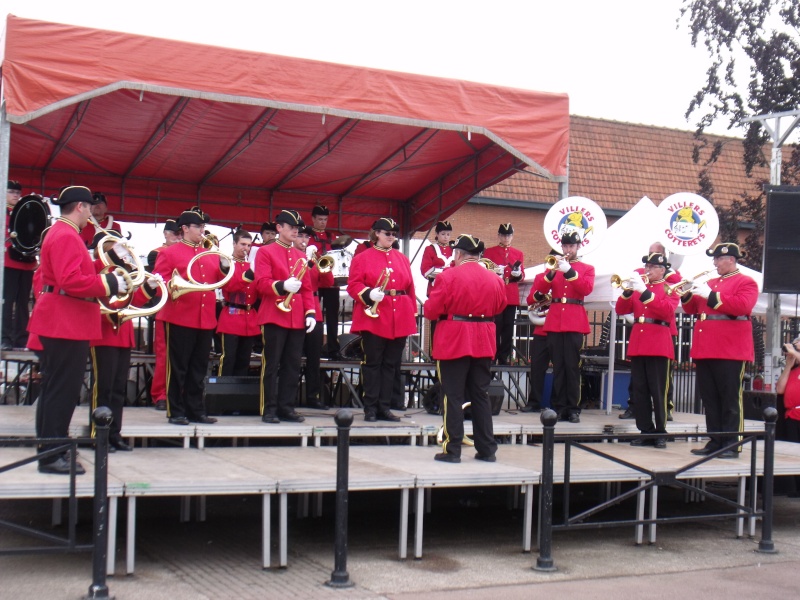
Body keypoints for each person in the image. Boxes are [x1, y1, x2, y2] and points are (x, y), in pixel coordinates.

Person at [28, 186, 131, 474]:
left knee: (55, 389)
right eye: (89, 209)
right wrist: (110, 284)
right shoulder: (66, 235)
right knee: (62, 391)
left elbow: (75, 273)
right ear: (81, 208)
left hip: (63, 318)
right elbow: (72, 280)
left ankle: (52, 447)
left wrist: (106, 262)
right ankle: (52, 453)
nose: (92, 216)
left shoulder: (61, 233)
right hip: (65, 320)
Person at [423, 234, 507, 463]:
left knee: (452, 395)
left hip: (455, 339)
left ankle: (453, 449)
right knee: (480, 395)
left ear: (458, 254)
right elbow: (500, 306)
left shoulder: (448, 276)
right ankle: (487, 449)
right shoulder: (495, 279)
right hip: (484, 340)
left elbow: (431, 311)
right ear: (479, 256)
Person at [682, 242, 758, 458]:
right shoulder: (711, 282)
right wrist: (687, 292)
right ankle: (715, 441)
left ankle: (732, 444)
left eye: (718, 259)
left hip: (730, 349)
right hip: (706, 348)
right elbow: (691, 308)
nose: (714, 263)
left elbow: (741, 307)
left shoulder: (746, 282)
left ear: (731, 260)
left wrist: (710, 295)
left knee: (730, 399)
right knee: (710, 398)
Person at [88, 230, 161, 452]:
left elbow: (132, 301)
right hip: (104, 332)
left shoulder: (123, 271)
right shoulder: (96, 268)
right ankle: (97, 433)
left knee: (118, 388)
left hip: (122, 333)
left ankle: (114, 433)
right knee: (104, 387)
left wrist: (149, 288)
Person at [153, 207, 223, 426]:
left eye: (204, 226)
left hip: (205, 316)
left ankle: (195, 409)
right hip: (180, 315)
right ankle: (176, 410)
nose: (202, 230)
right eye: (198, 226)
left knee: (198, 367)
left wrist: (226, 265)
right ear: (184, 228)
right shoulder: (168, 253)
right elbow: (159, 285)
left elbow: (221, 280)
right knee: (178, 366)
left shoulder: (209, 253)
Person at [347, 217, 416, 422]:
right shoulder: (363, 257)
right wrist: (368, 294)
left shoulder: (401, 258)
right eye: (388, 234)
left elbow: (410, 286)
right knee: (373, 363)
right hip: (375, 315)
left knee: (391, 365)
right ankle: (370, 408)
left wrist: (411, 312)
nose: (392, 238)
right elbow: (353, 285)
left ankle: (384, 407)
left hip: (399, 314)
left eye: (394, 235)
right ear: (377, 233)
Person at [255, 209, 316, 423]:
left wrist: (310, 313)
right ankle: (269, 408)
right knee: (271, 364)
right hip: (274, 313)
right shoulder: (266, 252)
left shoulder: (300, 256)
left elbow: (307, 289)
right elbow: (261, 283)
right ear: (279, 227)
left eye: (297, 229)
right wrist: (281, 285)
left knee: (292, 364)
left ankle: (286, 407)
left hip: (297, 316)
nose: (295, 232)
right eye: (291, 228)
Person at [615, 253, 678, 448]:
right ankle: (645, 430)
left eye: (652, 267)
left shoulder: (668, 288)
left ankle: (660, 432)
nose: (648, 270)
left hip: (659, 343)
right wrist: (627, 291)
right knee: (640, 392)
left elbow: (667, 311)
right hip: (639, 342)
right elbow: (620, 309)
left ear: (662, 270)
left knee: (658, 392)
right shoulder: (639, 287)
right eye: (647, 266)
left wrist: (643, 292)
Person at [534, 231, 595, 423]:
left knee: (572, 366)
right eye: (566, 247)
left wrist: (569, 271)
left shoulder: (587, 268)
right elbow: (541, 291)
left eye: (572, 246)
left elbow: (585, 289)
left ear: (578, 247)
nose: (568, 250)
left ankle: (573, 408)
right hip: (555, 321)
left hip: (574, 319)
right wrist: (551, 272)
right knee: (558, 367)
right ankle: (560, 407)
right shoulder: (555, 267)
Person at [296, 225, 335, 409]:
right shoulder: (293, 258)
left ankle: (313, 396)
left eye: (306, 237)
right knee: (292, 356)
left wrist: (320, 261)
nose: (303, 240)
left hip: (314, 310)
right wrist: (309, 263)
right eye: (301, 235)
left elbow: (328, 282)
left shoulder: (313, 258)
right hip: (295, 308)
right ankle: (290, 396)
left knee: (314, 358)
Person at [147, 219, 180, 410]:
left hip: (183, 310)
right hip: (164, 308)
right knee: (164, 355)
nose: (177, 238)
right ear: (166, 234)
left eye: (179, 234)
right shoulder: (157, 253)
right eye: (174, 234)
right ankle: (159, 394)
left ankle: (177, 393)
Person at [216, 230, 259, 376]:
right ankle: (223, 393)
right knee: (228, 358)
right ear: (234, 244)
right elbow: (230, 287)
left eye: (248, 245)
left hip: (249, 317)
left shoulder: (252, 266)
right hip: (231, 316)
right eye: (242, 244)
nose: (245, 248)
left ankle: (238, 395)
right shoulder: (226, 264)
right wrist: (249, 275)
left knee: (244, 360)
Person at [482, 224, 524, 365]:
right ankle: (493, 354)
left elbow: (521, 276)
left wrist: (517, 274)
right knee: (496, 325)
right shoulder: (490, 252)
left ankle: (504, 356)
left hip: (511, 292)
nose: (506, 238)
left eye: (509, 235)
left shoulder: (518, 253)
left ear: (512, 236)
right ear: (499, 235)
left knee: (508, 327)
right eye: (504, 235)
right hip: (496, 292)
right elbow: (484, 271)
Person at [3, 180, 36, 350]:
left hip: (26, 262)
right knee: (7, 301)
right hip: (8, 261)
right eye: (11, 192)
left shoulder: (24, 212)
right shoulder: (3, 212)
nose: (15, 195)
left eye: (17, 192)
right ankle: (5, 337)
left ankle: (21, 338)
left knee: (23, 302)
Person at [309, 205, 344, 359]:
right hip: (315, 281)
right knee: (312, 314)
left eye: (325, 220)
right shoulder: (307, 235)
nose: (323, 222)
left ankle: (332, 349)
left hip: (330, 281)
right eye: (320, 219)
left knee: (332, 317)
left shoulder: (333, 237)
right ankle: (309, 347)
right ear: (313, 219)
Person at [420, 220, 454, 353]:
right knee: (436, 321)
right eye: (443, 234)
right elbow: (424, 269)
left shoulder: (454, 249)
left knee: (449, 320)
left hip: (451, 290)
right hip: (435, 289)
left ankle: (447, 350)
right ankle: (435, 351)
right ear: (437, 234)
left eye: (448, 234)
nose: (446, 237)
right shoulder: (430, 249)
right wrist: (440, 272)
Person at [523, 272, 551, 412]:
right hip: (541, 330)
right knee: (537, 369)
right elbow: (530, 300)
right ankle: (534, 402)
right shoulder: (541, 277)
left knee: (561, 369)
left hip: (559, 328)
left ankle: (557, 404)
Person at [776, 335, 800, 494]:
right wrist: (789, 364)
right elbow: (780, 389)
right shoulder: (794, 369)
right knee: (793, 455)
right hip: (792, 417)